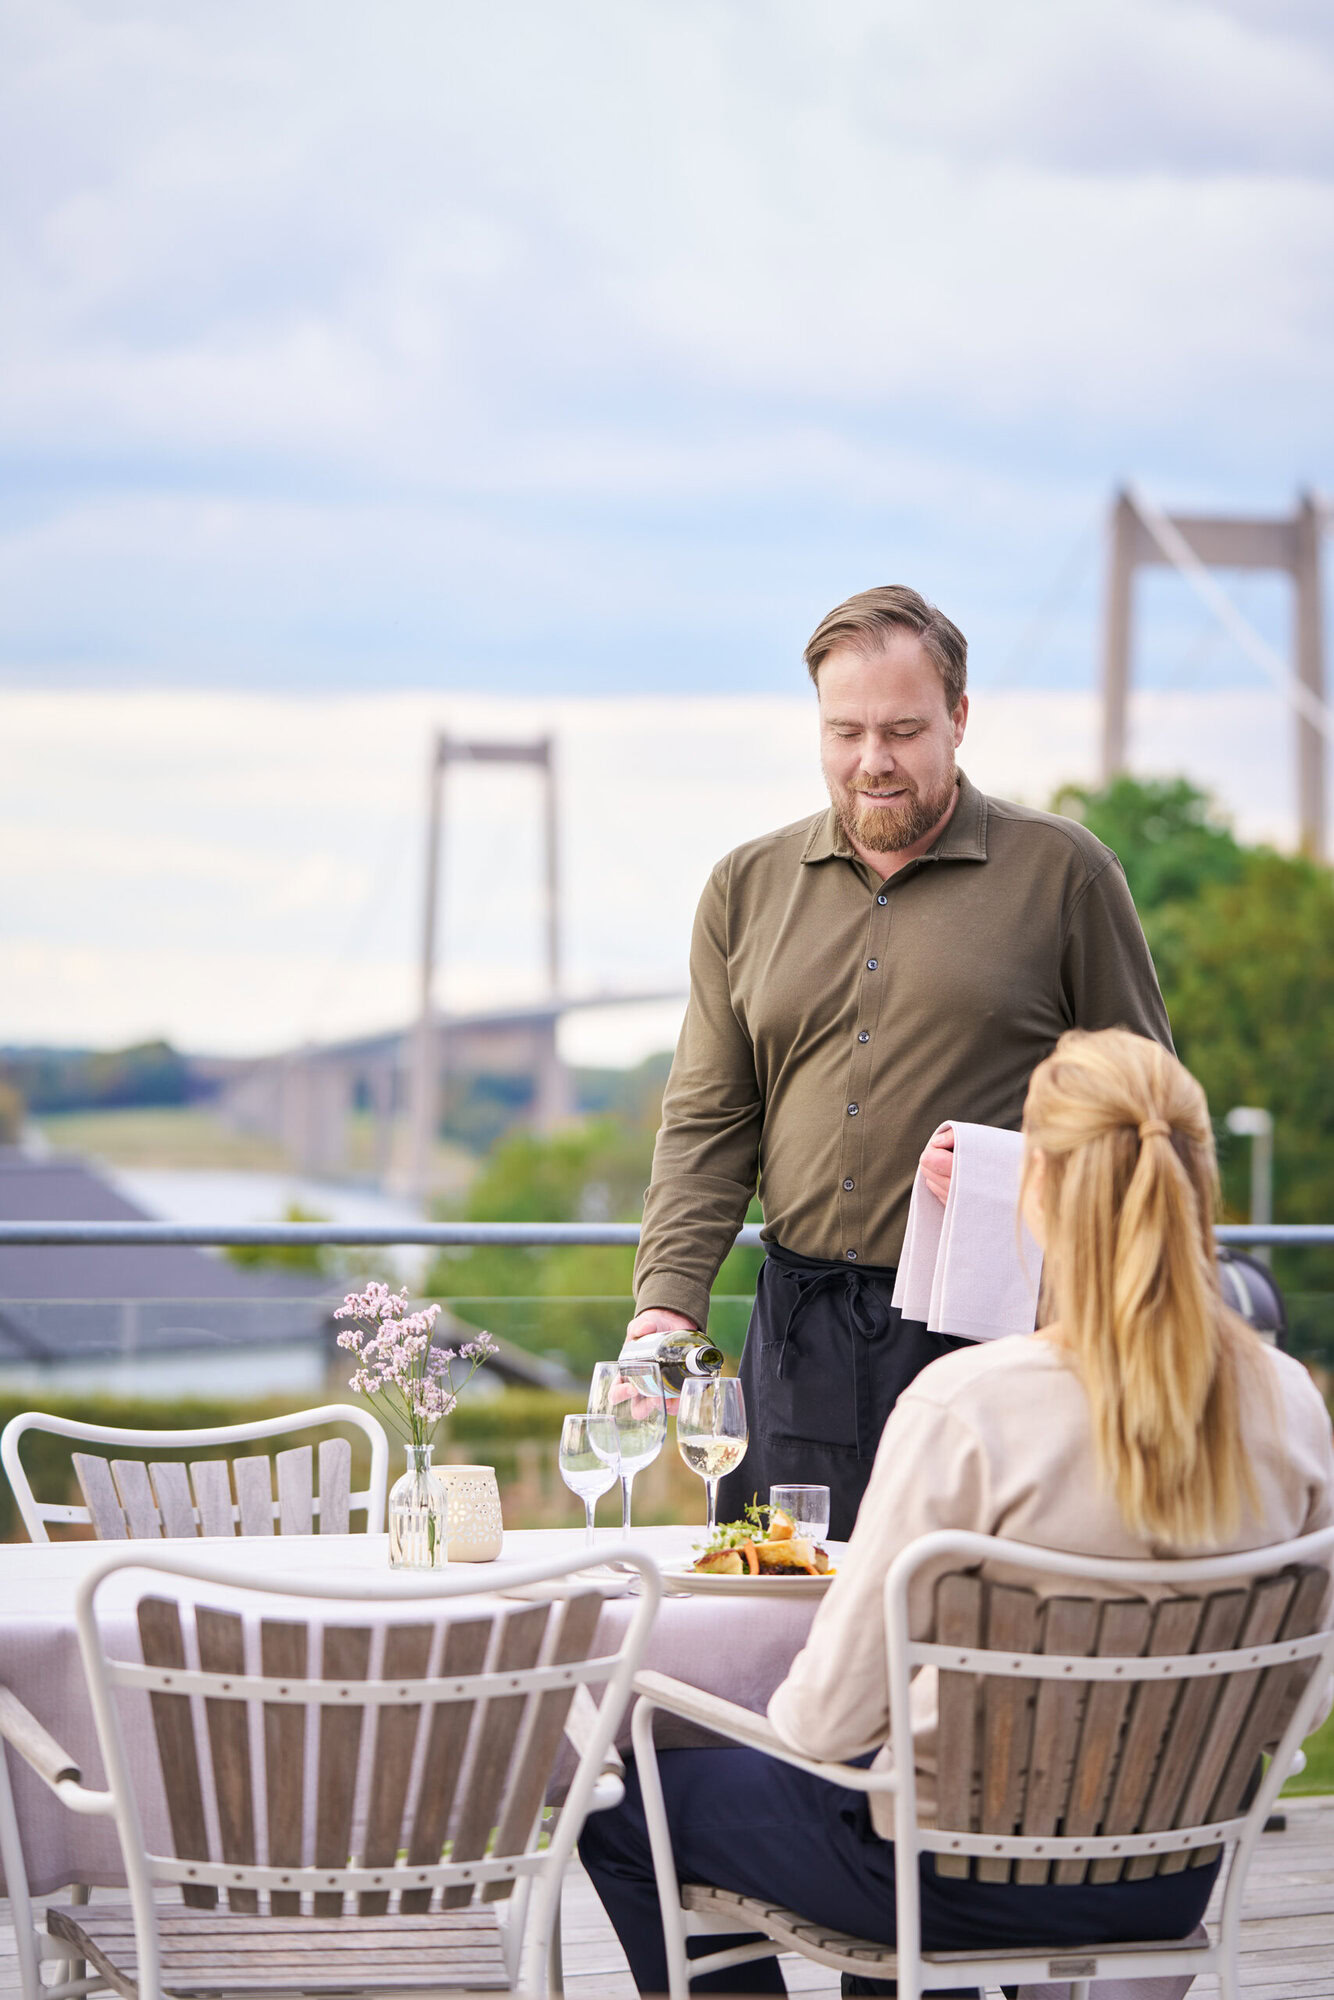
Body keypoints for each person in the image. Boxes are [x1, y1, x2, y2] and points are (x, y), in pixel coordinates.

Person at [583, 1029, 1334, 1996]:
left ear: (1036, 1192)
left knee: (622, 1799)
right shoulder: (1289, 1402)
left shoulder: (968, 1406)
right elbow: (1303, 1696)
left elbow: (824, 1721)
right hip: (1166, 1880)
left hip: (947, 1880)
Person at [626, 585, 1172, 1536]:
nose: (872, 762)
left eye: (903, 730)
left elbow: (1151, 1116)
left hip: (994, 1343)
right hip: (793, 1347)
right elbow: (709, 1123)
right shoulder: (741, 889)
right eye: (845, 732)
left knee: (972, 1630)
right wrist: (667, 1304)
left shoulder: (1067, 876)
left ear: (959, 719)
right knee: (775, 1630)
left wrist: (1018, 1171)